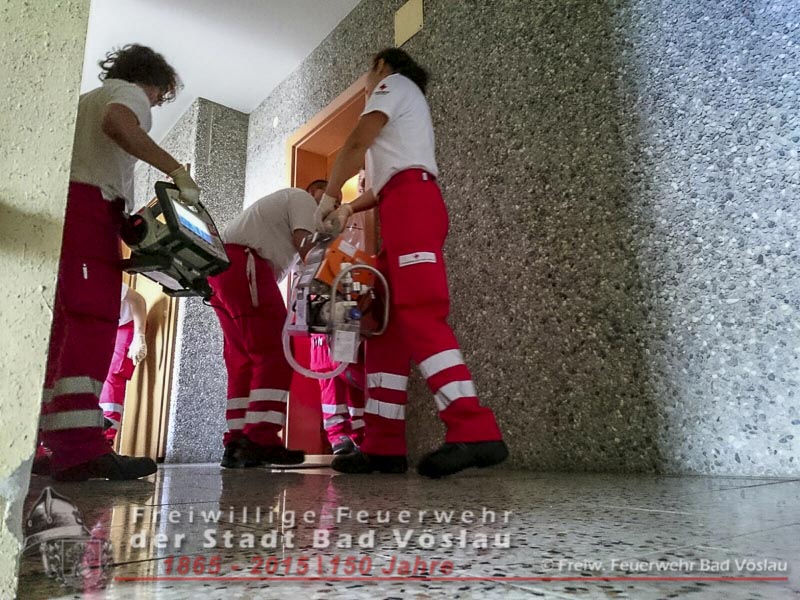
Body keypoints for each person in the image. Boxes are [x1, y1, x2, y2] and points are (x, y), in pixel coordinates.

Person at [318, 48, 509, 478]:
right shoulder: (404, 106)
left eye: (368, 73)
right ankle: (382, 446)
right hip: (399, 205)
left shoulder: (393, 84)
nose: (367, 83)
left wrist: (329, 197)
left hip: (412, 204)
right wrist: (348, 208)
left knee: (421, 311)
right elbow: (383, 181)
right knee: (384, 327)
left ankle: (474, 429)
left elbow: (356, 141)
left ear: (381, 66)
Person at [40, 44, 201, 481]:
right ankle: (80, 449)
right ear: (152, 81)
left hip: (69, 207)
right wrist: (177, 171)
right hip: (87, 208)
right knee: (91, 318)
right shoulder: (127, 93)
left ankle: (49, 443)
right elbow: (118, 123)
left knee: (61, 328)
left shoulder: (85, 101)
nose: (155, 103)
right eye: (159, 96)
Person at [208, 187, 319, 468]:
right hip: (246, 264)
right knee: (276, 350)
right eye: (332, 199)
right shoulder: (303, 198)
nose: (332, 206)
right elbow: (305, 245)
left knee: (242, 358)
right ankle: (261, 437)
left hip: (222, 269)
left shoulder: (280, 211)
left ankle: (237, 442)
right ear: (315, 191)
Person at [305, 180, 366, 455]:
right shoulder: (306, 227)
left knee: (352, 367)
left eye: (337, 200)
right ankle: (337, 435)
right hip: (320, 305)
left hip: (349, 301)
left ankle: (360, 433)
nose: (334, 205)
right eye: (326, 199)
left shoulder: (351, 224)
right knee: (327, 371)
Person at [99, 283, 148, 443]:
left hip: (127, 323)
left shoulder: (102, 280)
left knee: (113, 374)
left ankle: (106, 438)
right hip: (103, 328)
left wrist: (139, 337)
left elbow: (138, 300)